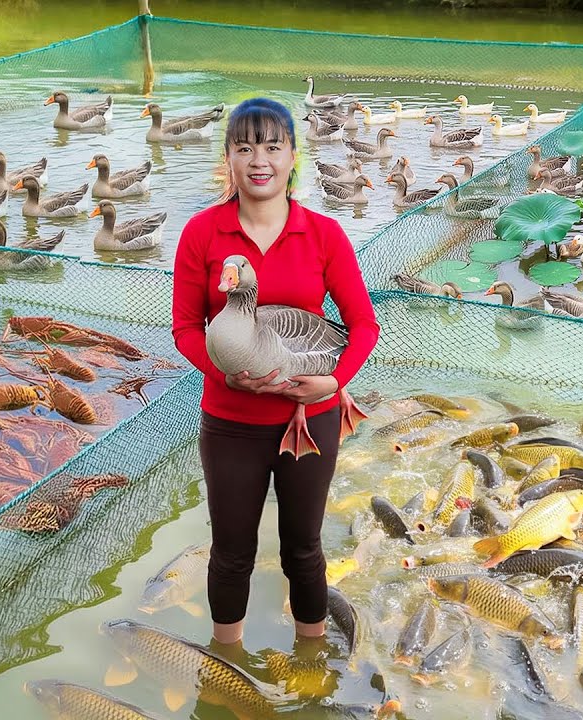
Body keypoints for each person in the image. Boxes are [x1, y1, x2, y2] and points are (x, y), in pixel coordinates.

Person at [171, 97, 379, 646]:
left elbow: (362, 325)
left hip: (309, 417)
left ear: (292, 157)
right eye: (245, 147)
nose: (259, 159)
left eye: (272, 146)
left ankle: (311, 659)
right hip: (231, 420)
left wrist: (334, 384)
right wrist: (226, 378)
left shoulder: (325, 234)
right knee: (232, 550)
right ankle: (227, 660)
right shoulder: (202, 234)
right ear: (229, 159)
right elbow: (186, 330)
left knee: (303, 548)